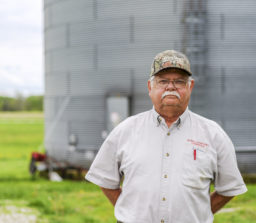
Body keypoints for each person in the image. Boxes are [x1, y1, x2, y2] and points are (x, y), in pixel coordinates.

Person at [85, 50, 247, 223]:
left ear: (190, 87)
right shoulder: (126, 130)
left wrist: (200, 213)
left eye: (179, 81)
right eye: (163, 81)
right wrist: (130, 212)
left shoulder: (213, 134)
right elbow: (105, 180)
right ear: (150, 87)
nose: (171, 87)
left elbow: (229, 188)